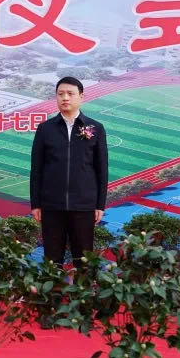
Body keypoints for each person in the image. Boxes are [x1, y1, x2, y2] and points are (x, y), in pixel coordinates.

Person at [30, 76, 108, 270]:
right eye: (60, 94)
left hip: (83, 205)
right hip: (51, 205)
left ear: (81, 96)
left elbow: (101, 169)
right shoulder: (45, 129)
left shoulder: (95, 128)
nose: (65, 98)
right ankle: (52, 289)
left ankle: (83, 290)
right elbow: (37, 169)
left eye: (70, 94)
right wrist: (36, 204)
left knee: (84, 261)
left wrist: (100, 205)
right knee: (52, 261)